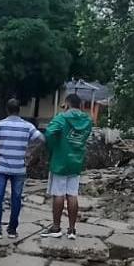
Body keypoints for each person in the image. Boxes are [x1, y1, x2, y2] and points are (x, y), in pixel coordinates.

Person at [0, 99, 45, 238]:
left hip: (1, 167)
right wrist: (31, 153)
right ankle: (12, 230)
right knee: (16, 199)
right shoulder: (27, 126)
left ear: (7, 109)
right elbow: (42, 139)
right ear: (19, 110)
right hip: (19, 168)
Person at [42, 93, 93, 239]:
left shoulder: (62, 118)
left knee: (58, 194)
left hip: (60, 160)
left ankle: (56, 227)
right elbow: (84, 137)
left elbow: (49, 133)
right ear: (80, 105)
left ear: (67, 104)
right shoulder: (87, 120)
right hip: (76, 161)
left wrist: (53, 147)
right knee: (72, 194)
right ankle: (71, 229)